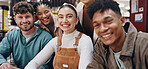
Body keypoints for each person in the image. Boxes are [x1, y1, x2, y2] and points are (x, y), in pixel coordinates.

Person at [25, 4, 93, 69]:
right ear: (57, 20)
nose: (64, 20)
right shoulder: (55, 41)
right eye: (61, 17)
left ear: (76, 20)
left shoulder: (85, 40)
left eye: (69, 16)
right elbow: (35, 62)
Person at [86, 0, 148, 69]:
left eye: (108, 21)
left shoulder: (145, 44)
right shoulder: (101, 47)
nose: (102, 29)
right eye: (97, 25)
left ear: (122, 21)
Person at [0, 1, 53, 69]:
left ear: (34, 18)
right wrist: (3, 62)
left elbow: (46, 65)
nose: (24, 21)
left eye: (27, 17)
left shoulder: (46, 38)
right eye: (20, 17)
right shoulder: (12, 35)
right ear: (15, 19)